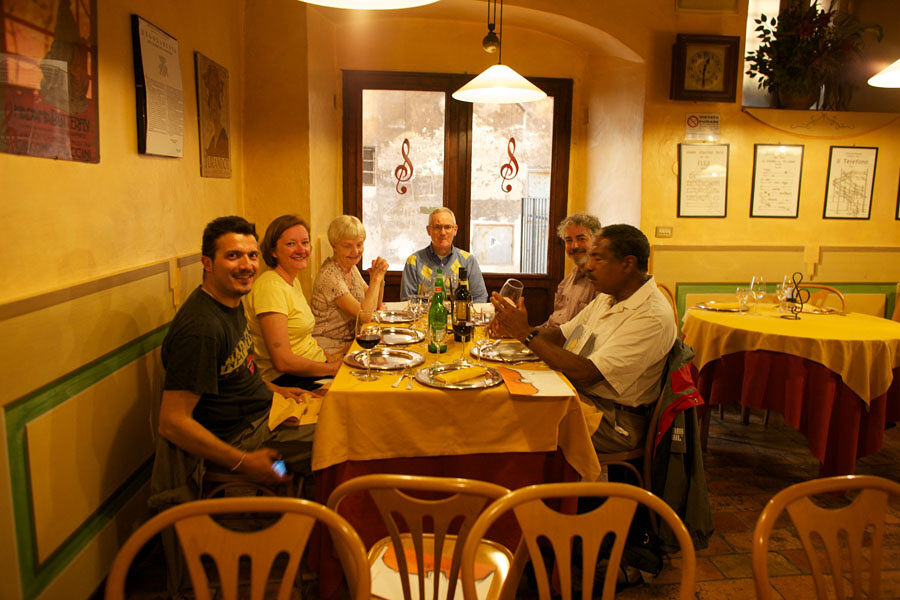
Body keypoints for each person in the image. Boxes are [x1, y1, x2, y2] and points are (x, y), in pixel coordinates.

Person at [151, 216, 315, 510]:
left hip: (268, 413)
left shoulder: (231, 299)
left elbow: (236, 370)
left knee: (340, 412)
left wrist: (278, 390)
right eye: (233, 256)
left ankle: (304, 509)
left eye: (251, 256)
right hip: (244, 440)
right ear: (207, 263)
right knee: (339, 441)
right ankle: (310, 519)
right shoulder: (201, 329)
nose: (246, 265)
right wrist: (244, 462)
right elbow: (172, 422)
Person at [490, 224, 677, 453]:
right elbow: (561, 335)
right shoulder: (609, 297)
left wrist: (525, 334)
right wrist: (518, 329)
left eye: (598, 258)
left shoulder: (651, 316)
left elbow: (588, 374)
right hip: (582, 395)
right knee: (503, 395)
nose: (588, 266)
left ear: (628, 264)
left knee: (514, 421)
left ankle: (534, 476)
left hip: (613, 419)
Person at [244, 215, 340, 390]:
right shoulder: (270, 287)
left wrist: (327, 359)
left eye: (305, 242)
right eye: (291, 244)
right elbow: (283, 362)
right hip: (287, 379)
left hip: (313, 368)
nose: (301, 249)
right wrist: (333, 369)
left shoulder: (292, 280)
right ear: (273, 251)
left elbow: (302, 339)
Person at [311, 215, 388, 355]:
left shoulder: (351, 268)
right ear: (333, 246)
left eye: (359, 244)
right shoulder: (330, 276)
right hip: (330, 349)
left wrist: (379, 278)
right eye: (347, 246)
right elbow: (365, 316)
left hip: (351, 343)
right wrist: (376, 280)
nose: (355, 252)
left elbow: (375, 305)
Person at [399, 207, 488, 302]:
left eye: (447, 227)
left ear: (455, 230)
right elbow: (407, 300)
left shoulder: (468, 261)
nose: (442, 232)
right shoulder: (414, 261)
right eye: (437, 227)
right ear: (428, 230)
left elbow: (480, 298)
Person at [539, 212, 602, 329]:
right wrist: (528, 333)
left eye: (581, 239)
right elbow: (552, 323)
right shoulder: (567, 281)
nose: (574, 246)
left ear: (596, 241)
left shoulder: (601, 282)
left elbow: (591, 331)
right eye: (569, 240)